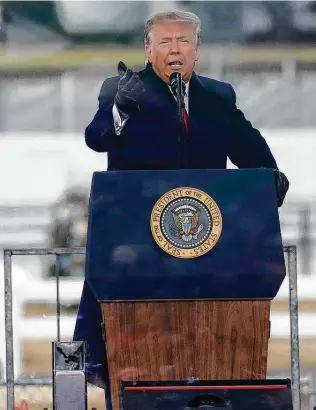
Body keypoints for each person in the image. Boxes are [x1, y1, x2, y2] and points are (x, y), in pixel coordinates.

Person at [74, 9, 289, 396]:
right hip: (136, 245)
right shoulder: (120, 88)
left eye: (183, 41)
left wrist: (269, 174)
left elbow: (247, 143)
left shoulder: (219, 96)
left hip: (207, 249)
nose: (175, 49)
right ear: (148, 49)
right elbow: (96, 138)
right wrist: (121, 109)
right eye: (165, 42)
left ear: (197, 50)